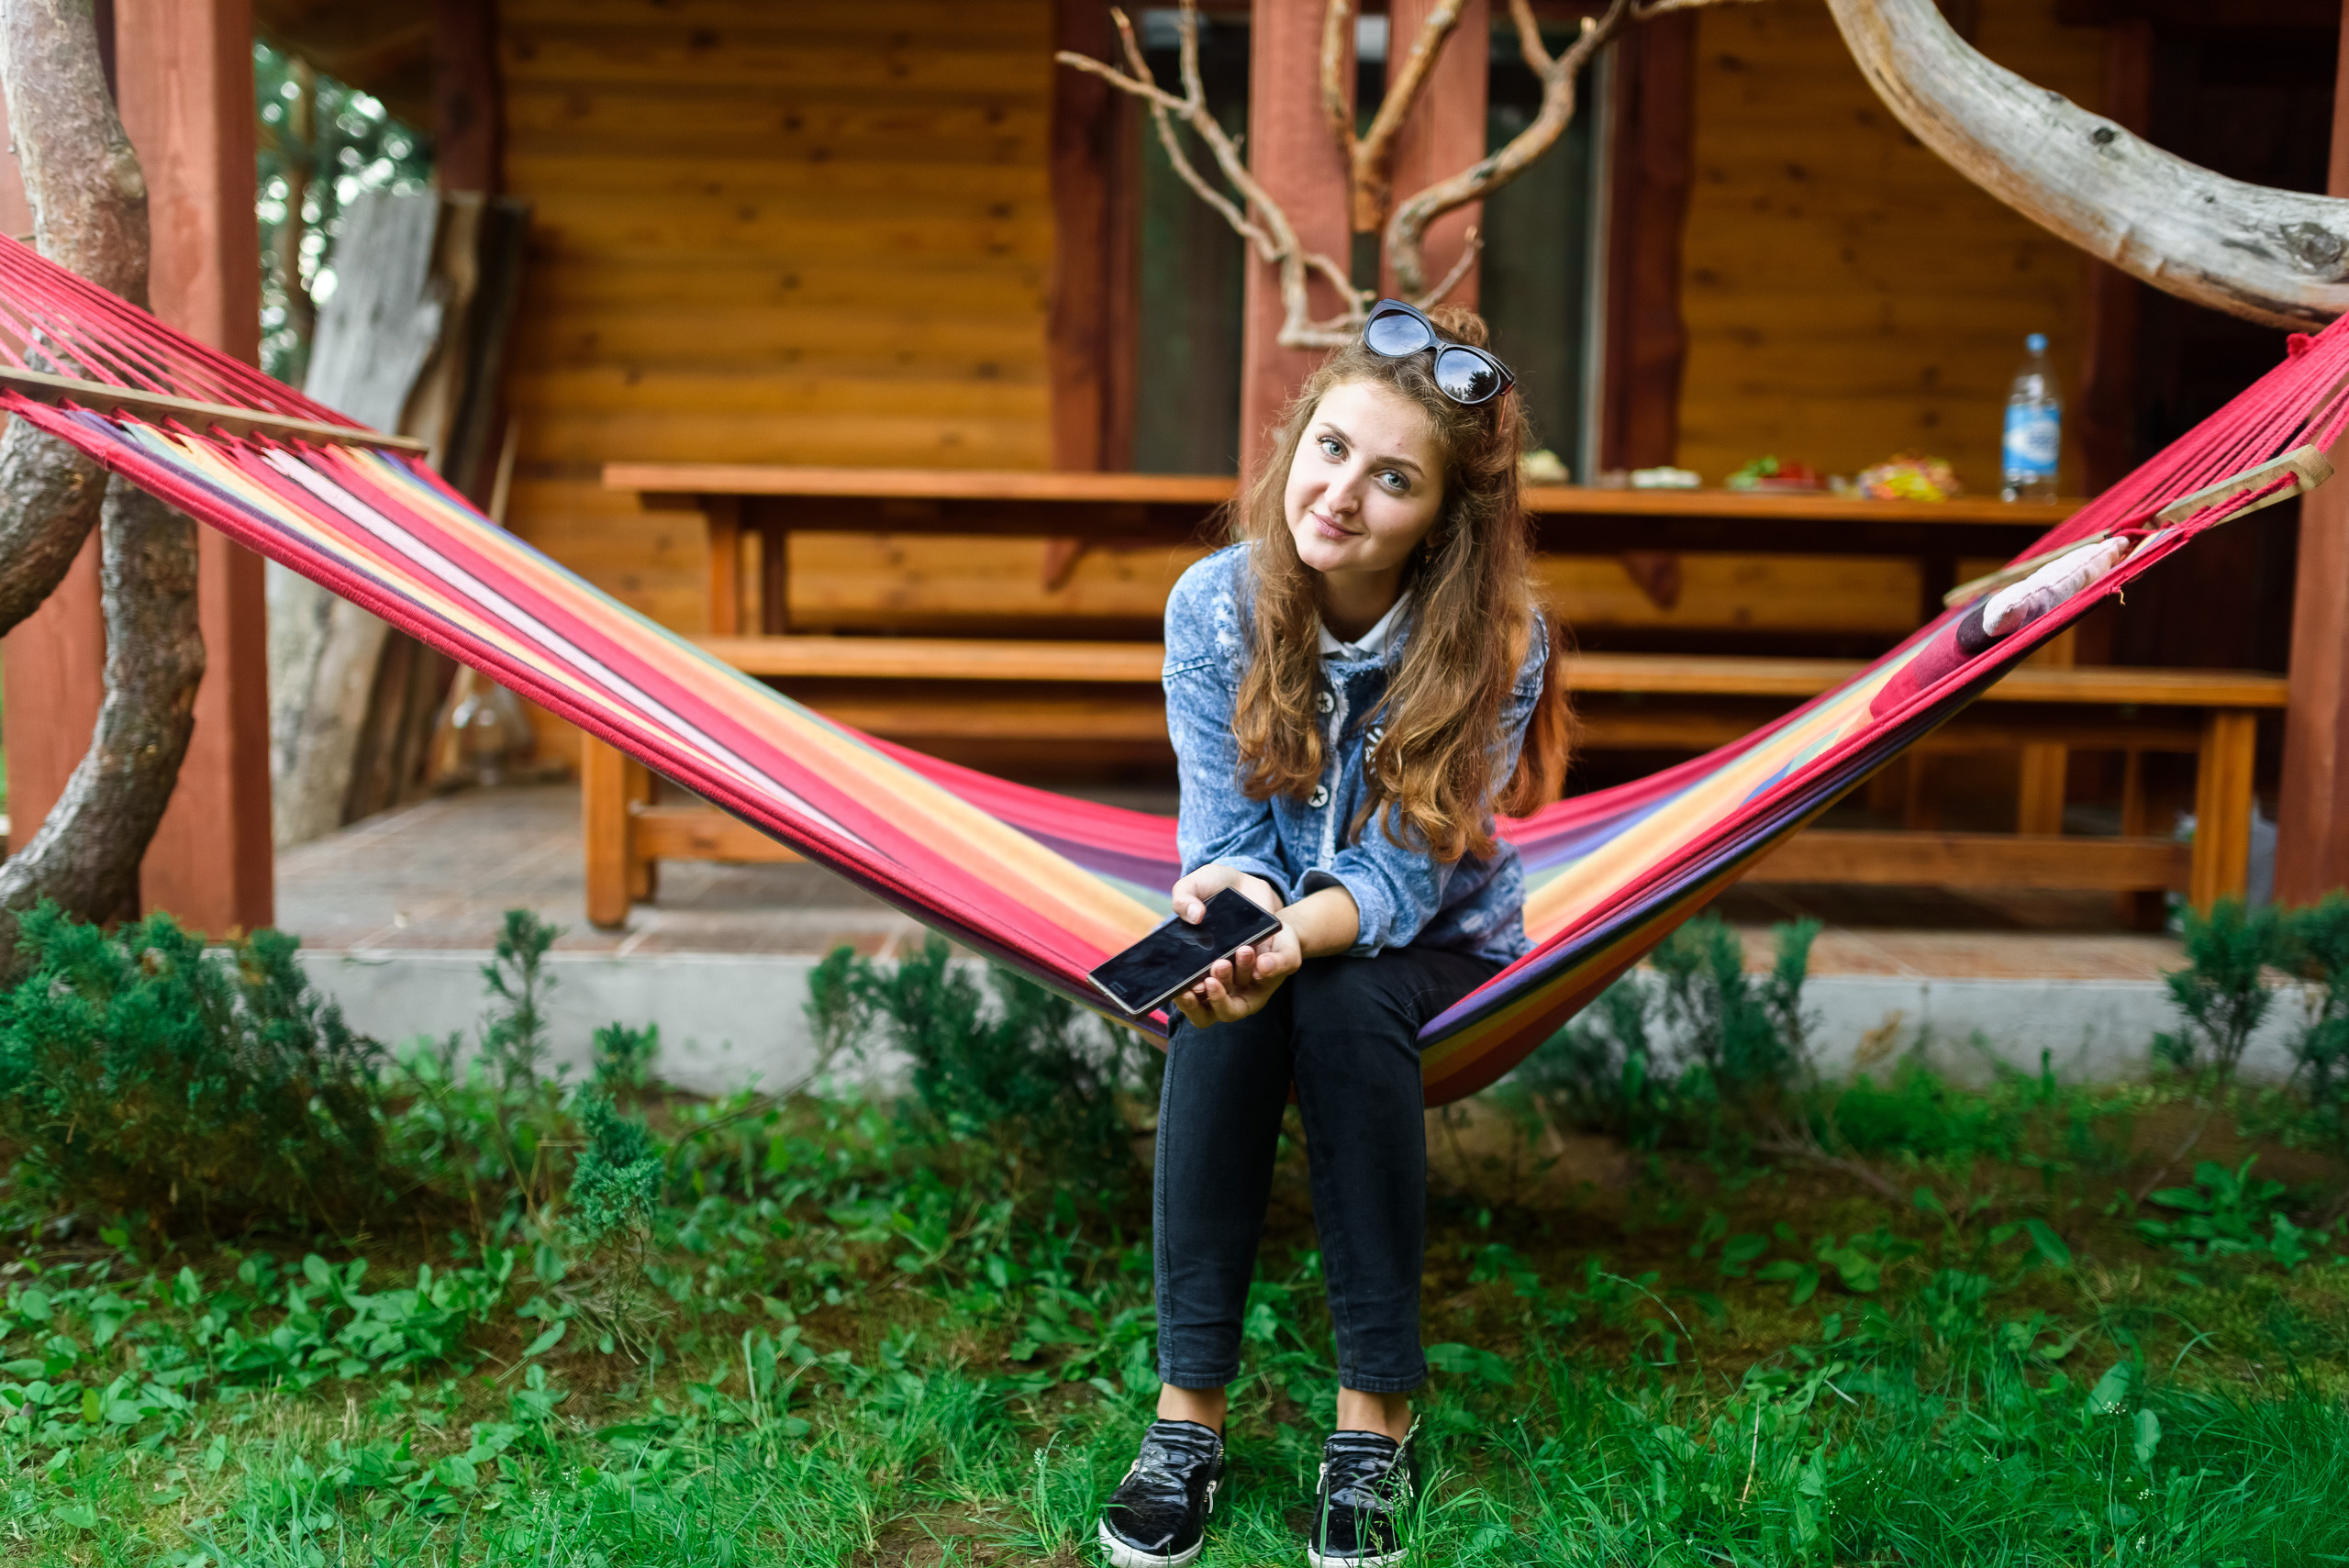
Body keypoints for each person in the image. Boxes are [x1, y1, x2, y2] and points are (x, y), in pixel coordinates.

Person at [1096, 301, 1570, 1568]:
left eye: (1394, 477)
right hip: (1282, 904)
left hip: (1432, 929)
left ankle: (1376, 1411)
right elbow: (1229, 839)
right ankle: (1187, 1409)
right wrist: (1234, 931)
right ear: (1294, 441)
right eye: (1331, 449)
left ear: (1444, 523)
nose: (1342, 494)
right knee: (1229, 1004)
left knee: (1341, 999)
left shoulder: (1495, 640)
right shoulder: (1212, 605)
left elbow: (1409, 871)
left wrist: (1299, 942)